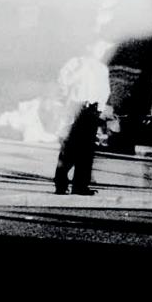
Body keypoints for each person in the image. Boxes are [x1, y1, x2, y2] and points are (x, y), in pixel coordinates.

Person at [54, 40, 111, 196]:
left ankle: (80, 185)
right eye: (98, 47)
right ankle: (61, 183)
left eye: (103, 49)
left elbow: (105, 90)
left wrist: (100, 109)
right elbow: (63, 82)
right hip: (76, 106)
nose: (101, 52)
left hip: (92, 110)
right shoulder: (75, 63)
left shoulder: (102, 68)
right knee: (70, 147)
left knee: (87, 149)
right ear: (89, 47)